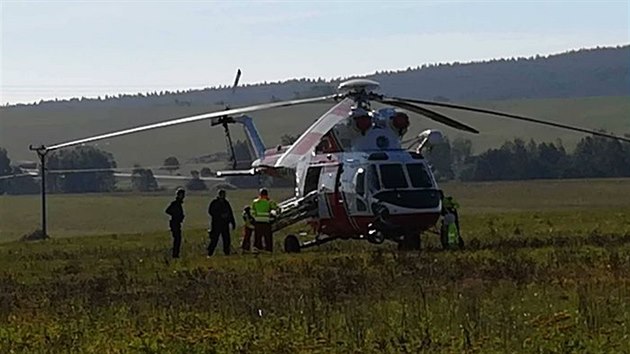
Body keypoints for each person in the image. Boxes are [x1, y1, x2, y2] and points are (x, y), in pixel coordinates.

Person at [207, 189, 236, 256]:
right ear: (219, 195)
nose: (223, 196)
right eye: (221, 194)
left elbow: (230, 213)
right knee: (214, 239)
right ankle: (210, 253)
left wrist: (233, 222)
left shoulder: (226, 203)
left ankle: (227, 253)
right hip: (216, 224)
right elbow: (210, 211)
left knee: (226, 239)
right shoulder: (214, 202)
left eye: (224, 194)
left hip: (225, 224)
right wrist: (220, 215)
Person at [165, 188, 185, 258]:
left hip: (176, 223)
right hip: (174, 223)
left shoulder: (178, 204)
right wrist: (176, 215)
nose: (183, 196)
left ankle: (176, 253)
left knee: (178, 239)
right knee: (177, 239)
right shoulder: (175, 204)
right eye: (182, 195)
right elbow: (167, 211)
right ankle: (175, 254)